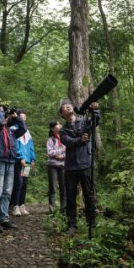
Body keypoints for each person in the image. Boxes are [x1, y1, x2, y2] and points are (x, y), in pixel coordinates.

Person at [58, 98, 100, 235]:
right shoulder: (63, 130)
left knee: (88, 193)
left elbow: (95, 122)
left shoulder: (84, 121)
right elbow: (67, 142)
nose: (67, 107)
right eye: (64, 107)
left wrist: (95, 110)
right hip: (71, 166)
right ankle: (72, 225)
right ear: (61, 114)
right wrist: (79, 140)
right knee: (70, 196)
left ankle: (92, 222)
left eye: (69, 105)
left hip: (86, 163)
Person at [0, 107, 27, 233]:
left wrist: (15, 117)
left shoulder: (11, 131)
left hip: (11, 161)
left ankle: (4, 218)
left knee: (7, 192)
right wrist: (2, 116)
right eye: (2, 113)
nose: (5, 115)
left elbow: (23, 129)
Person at [10, 110, 36, 217]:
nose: (23, 119)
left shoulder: (27, 132)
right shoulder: (14, 129)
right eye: (21, 117)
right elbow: (15, 145)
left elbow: (30, 146)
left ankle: (21, 204)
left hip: (27, 162)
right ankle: (15, 206)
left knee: (24, 183)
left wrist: (32, 159)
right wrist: (20, 157)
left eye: (25, 117)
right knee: (18, 182)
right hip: (18, 161)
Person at [46, 121, 66, 214]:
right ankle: (52, 210)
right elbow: (50, 153)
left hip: (63, 165)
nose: (59, 126)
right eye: (57, 125)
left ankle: (63, 209)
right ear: (52, 128)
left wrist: (63, 156)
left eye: (59, 124)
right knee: (53, 188)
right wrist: (61, 149)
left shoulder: (64, 137)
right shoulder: (51, 139)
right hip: (52, 165)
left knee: (63, 188)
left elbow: (69, 149)